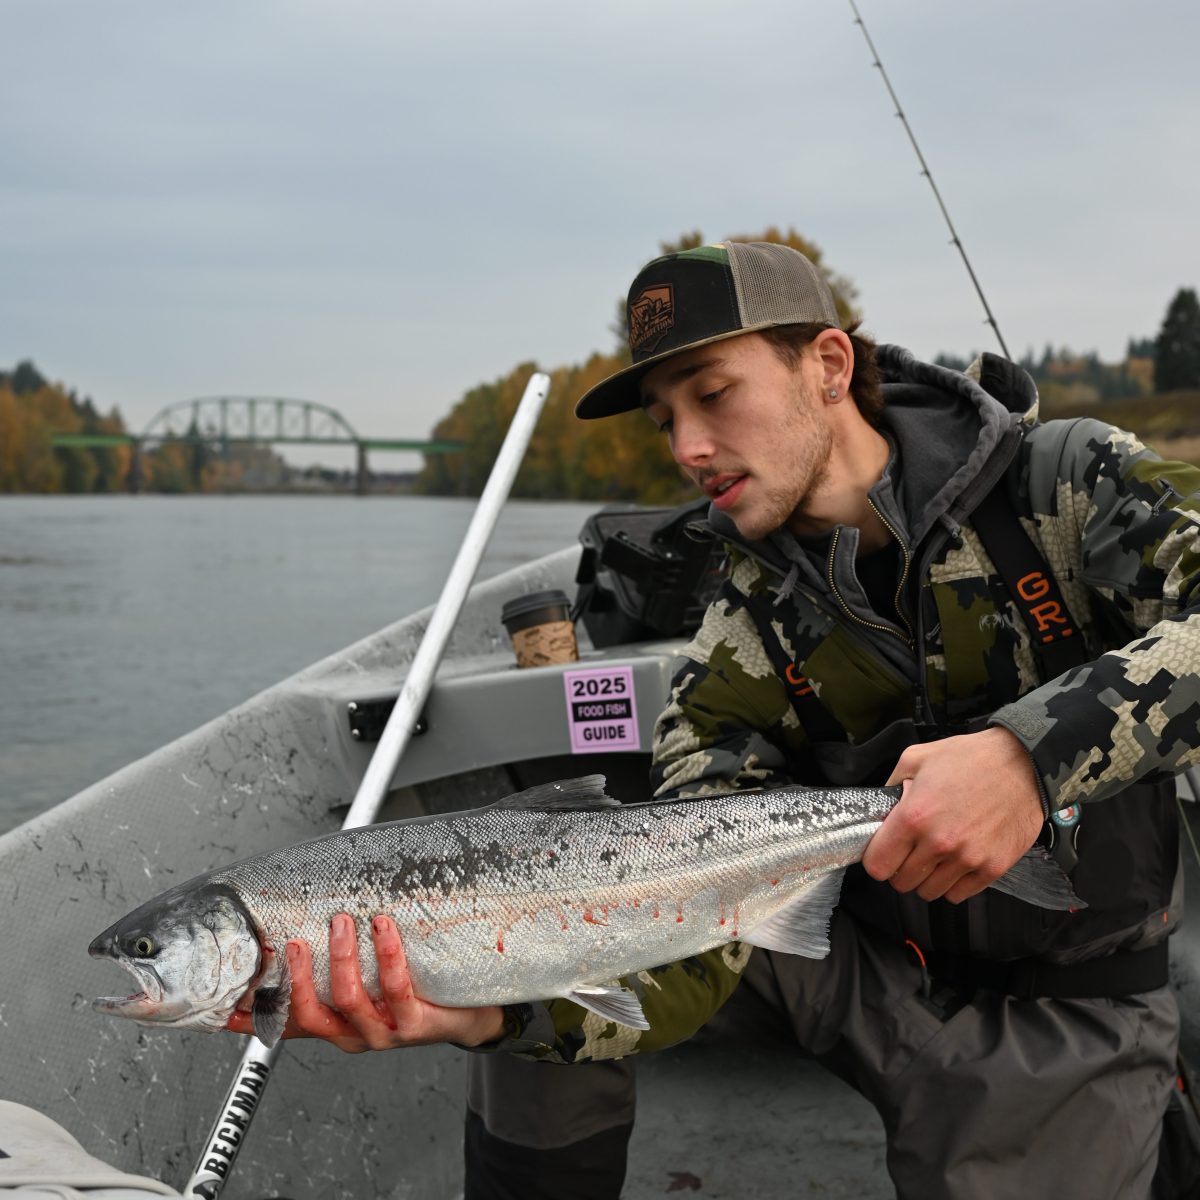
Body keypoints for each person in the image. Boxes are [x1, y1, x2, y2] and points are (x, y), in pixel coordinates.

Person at [230, 241, 1197, 1199]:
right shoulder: (735, 637)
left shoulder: (1066, 483)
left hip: (1062, 1010)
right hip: (837, 964)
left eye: (713, 393)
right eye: (664, 421)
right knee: (519, 961)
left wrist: (1027, 757)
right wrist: (486, 1017)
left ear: (826, 365)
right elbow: (697, 936)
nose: (688, 448)